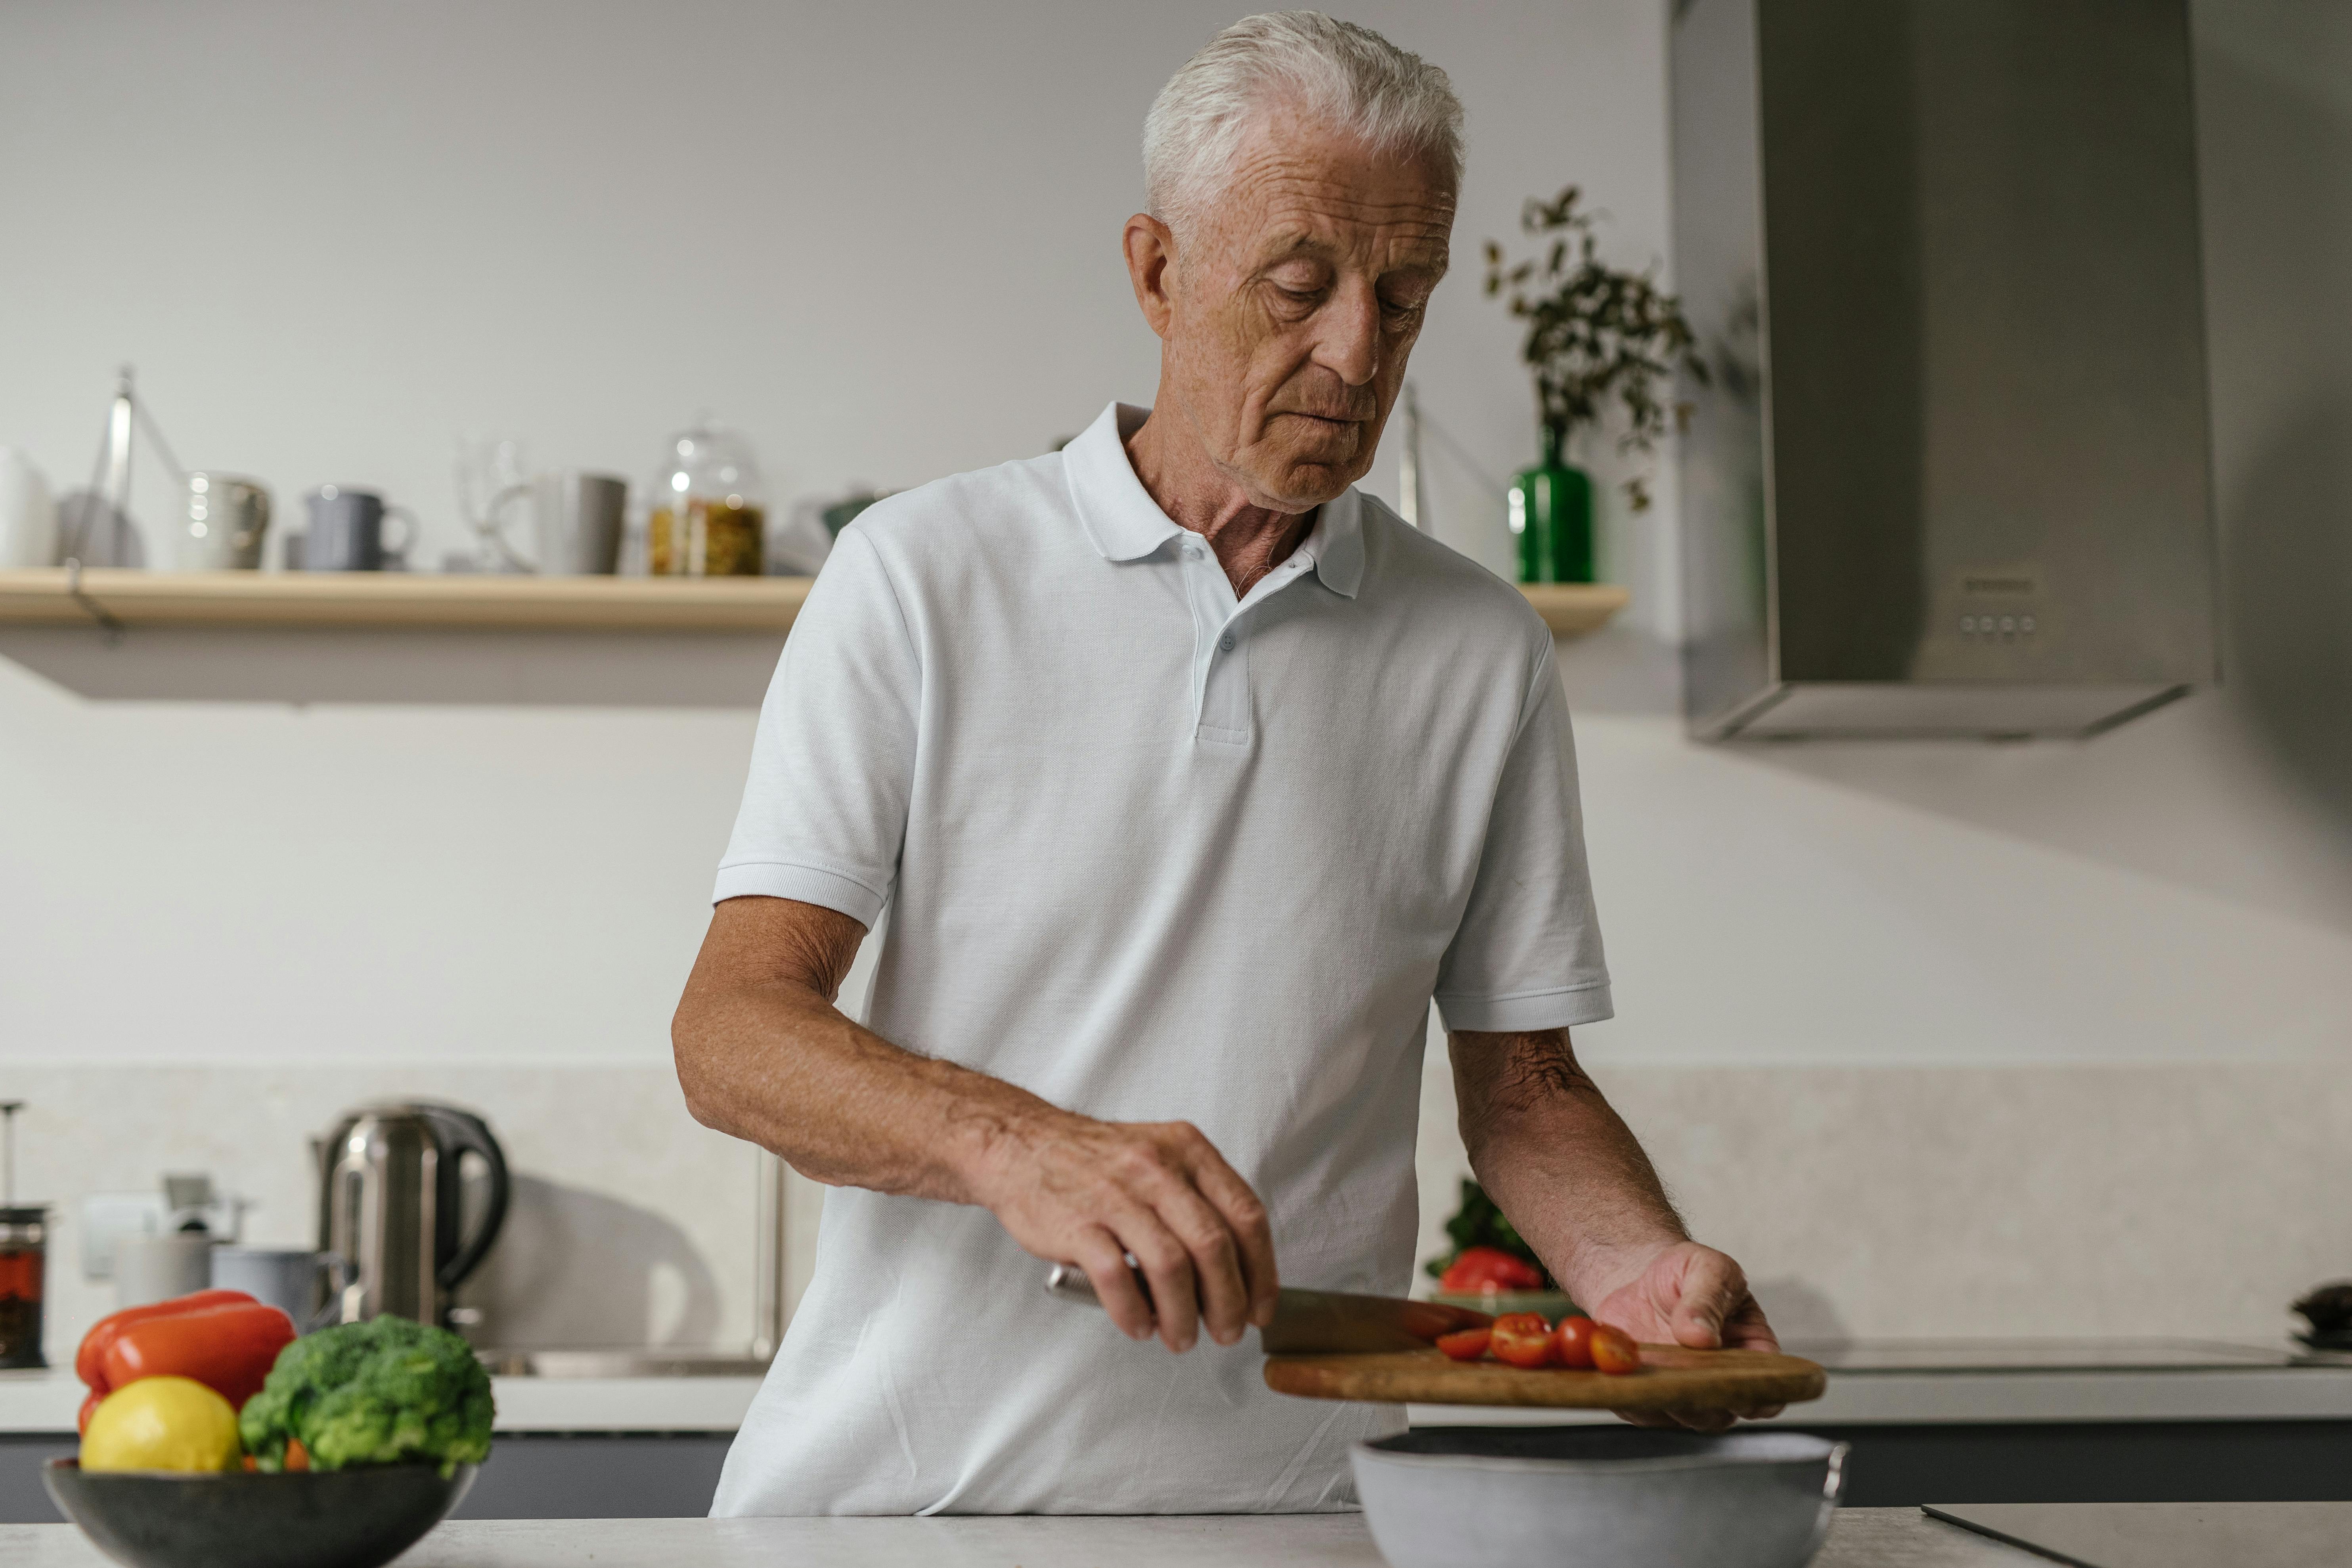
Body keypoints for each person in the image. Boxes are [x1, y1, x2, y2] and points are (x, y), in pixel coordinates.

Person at [673, 10, 1777, 1516]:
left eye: (1403, 295)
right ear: (1157, 271)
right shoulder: (922, 574)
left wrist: (1638, 1271)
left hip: (1289, 1517)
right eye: (1300, 286)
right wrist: (1022, 1149)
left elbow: (1524, 1087)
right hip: (889, 1510)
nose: (1357, 352)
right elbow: (733, 1032)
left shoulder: (1480, 649)